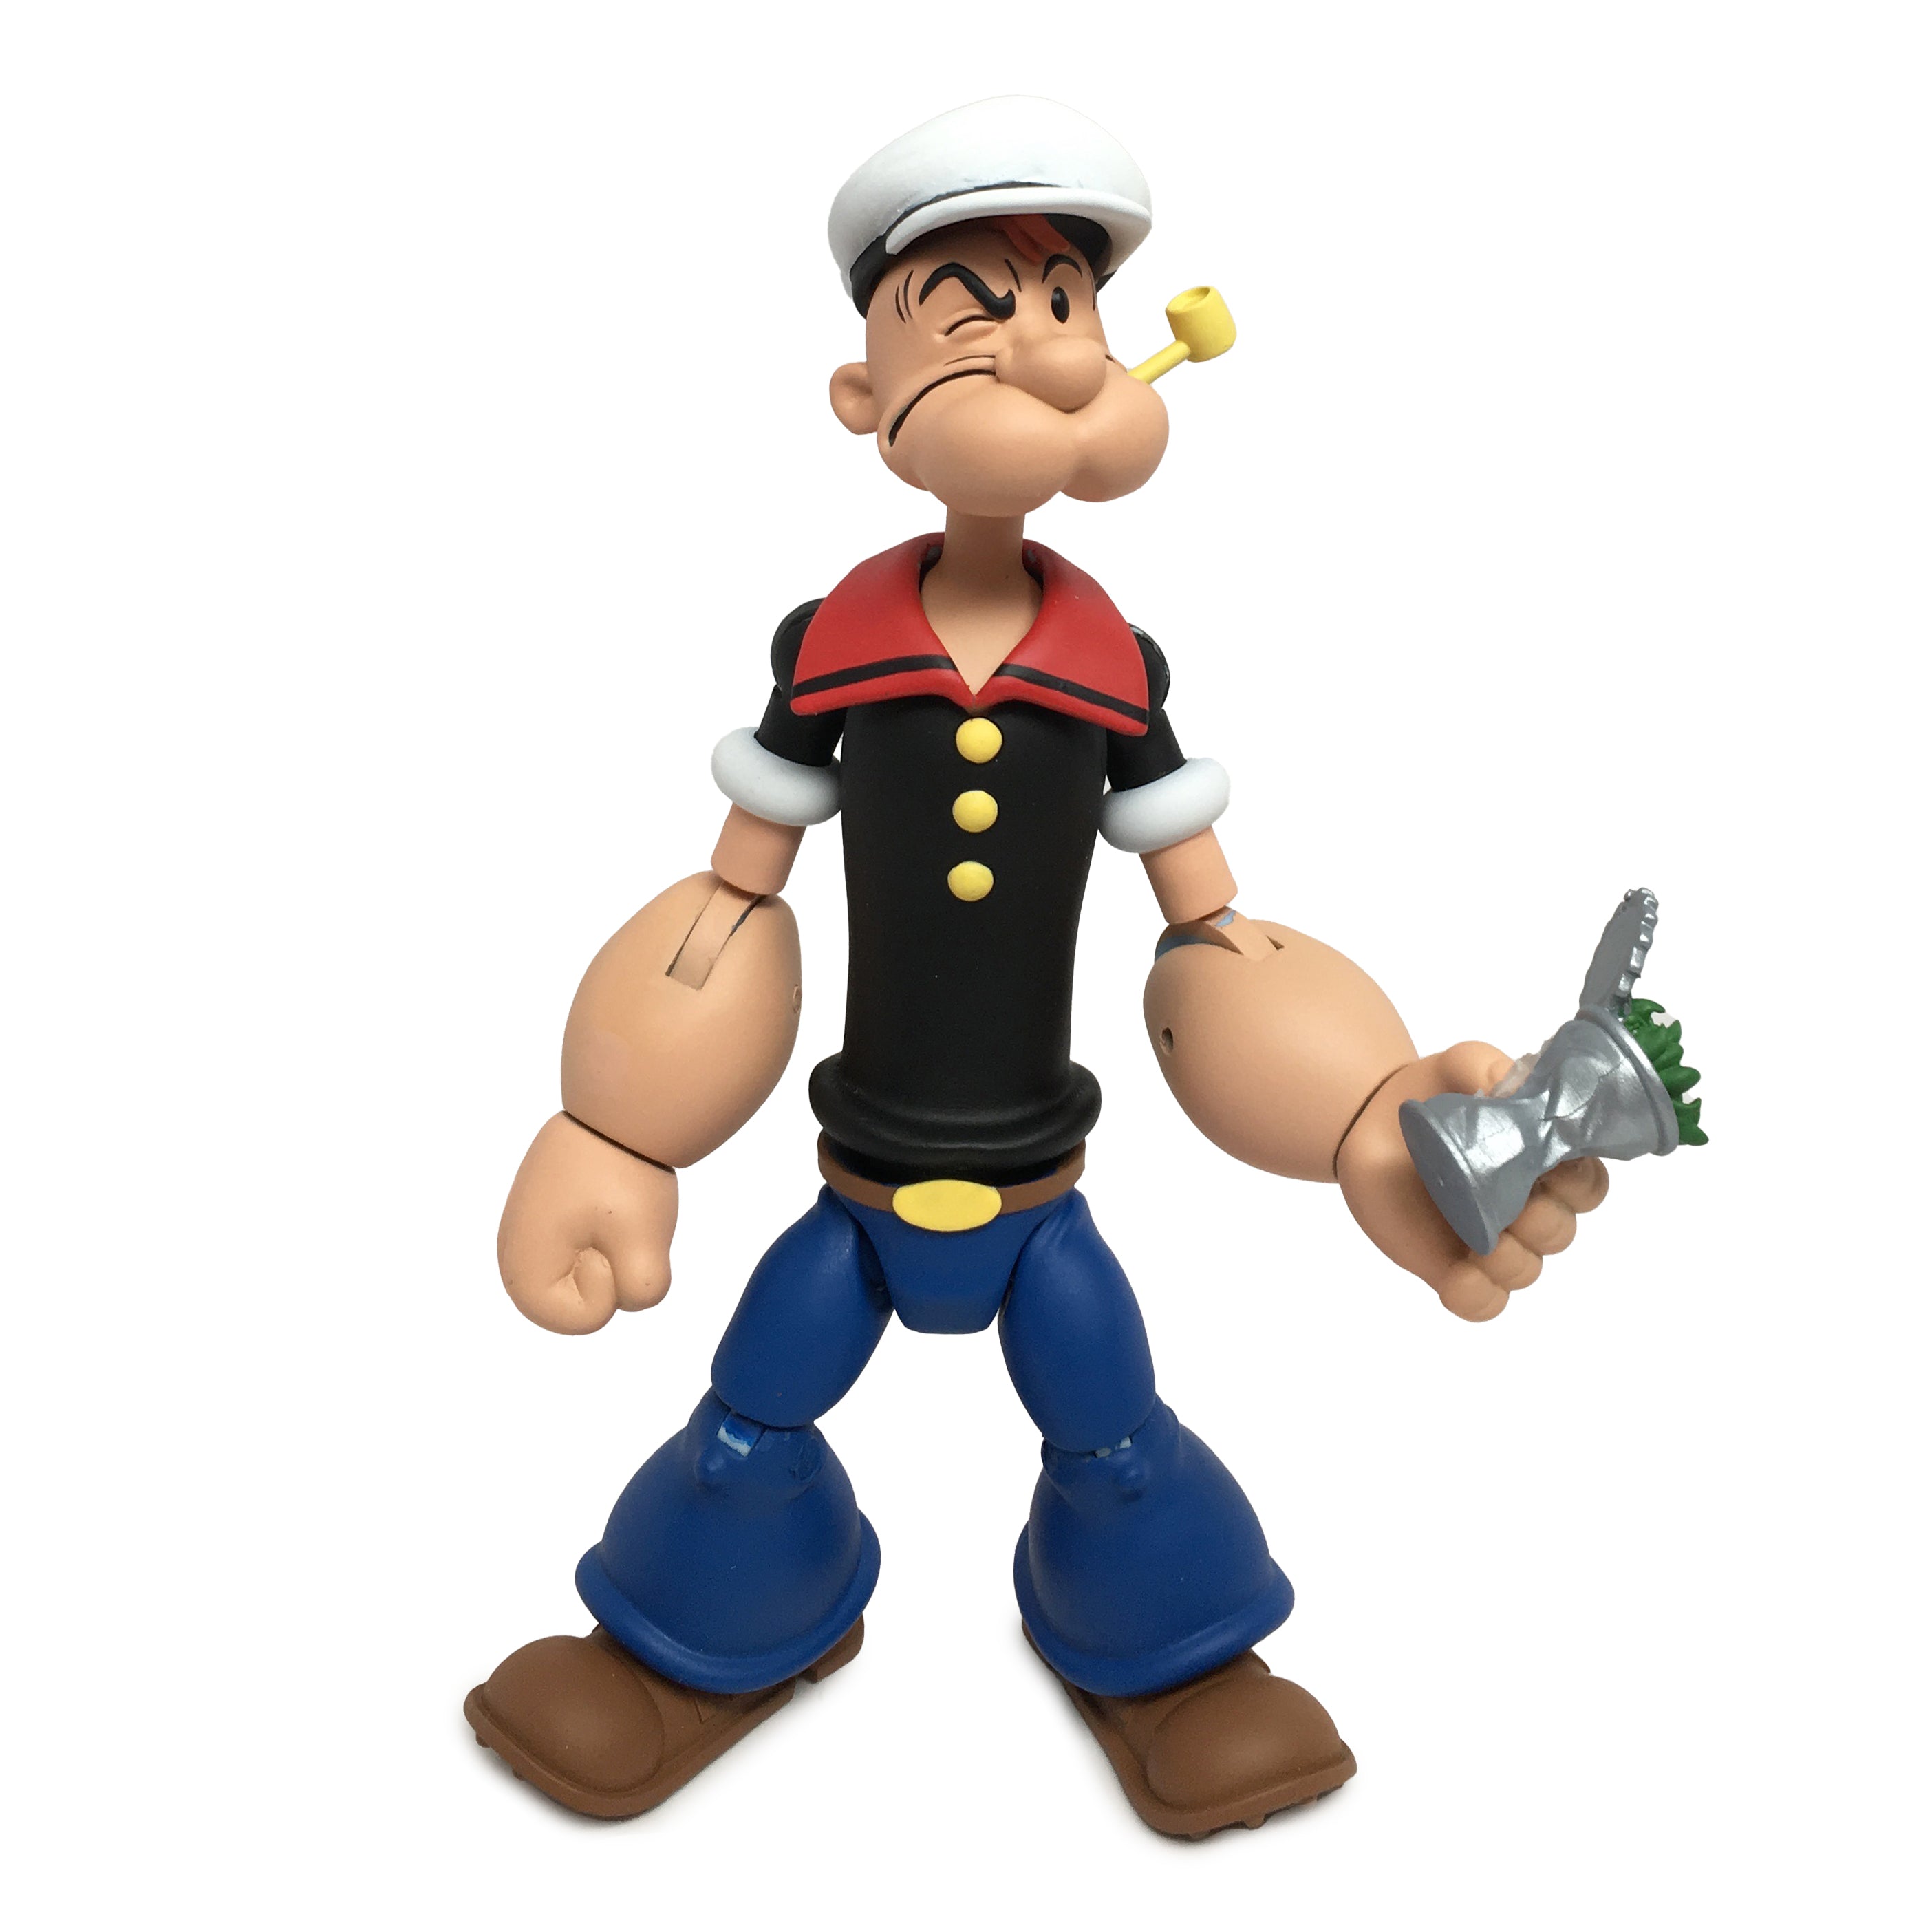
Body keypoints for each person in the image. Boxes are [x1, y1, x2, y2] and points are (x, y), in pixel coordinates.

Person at [466, 96, 1610, 1838]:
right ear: (861, 400)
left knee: (1116, 1431)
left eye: (1069, 303)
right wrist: (616, 1128)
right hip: (860, 1180)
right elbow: (734, 900)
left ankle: (1168, 1660)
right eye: (977, 313)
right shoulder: (832, 653)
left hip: (1038, 1184)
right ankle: (702, 1639)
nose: (1058, 354)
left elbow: (1210, 931)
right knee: (749, 1413)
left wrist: (1364, 1117)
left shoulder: (1115, 667)